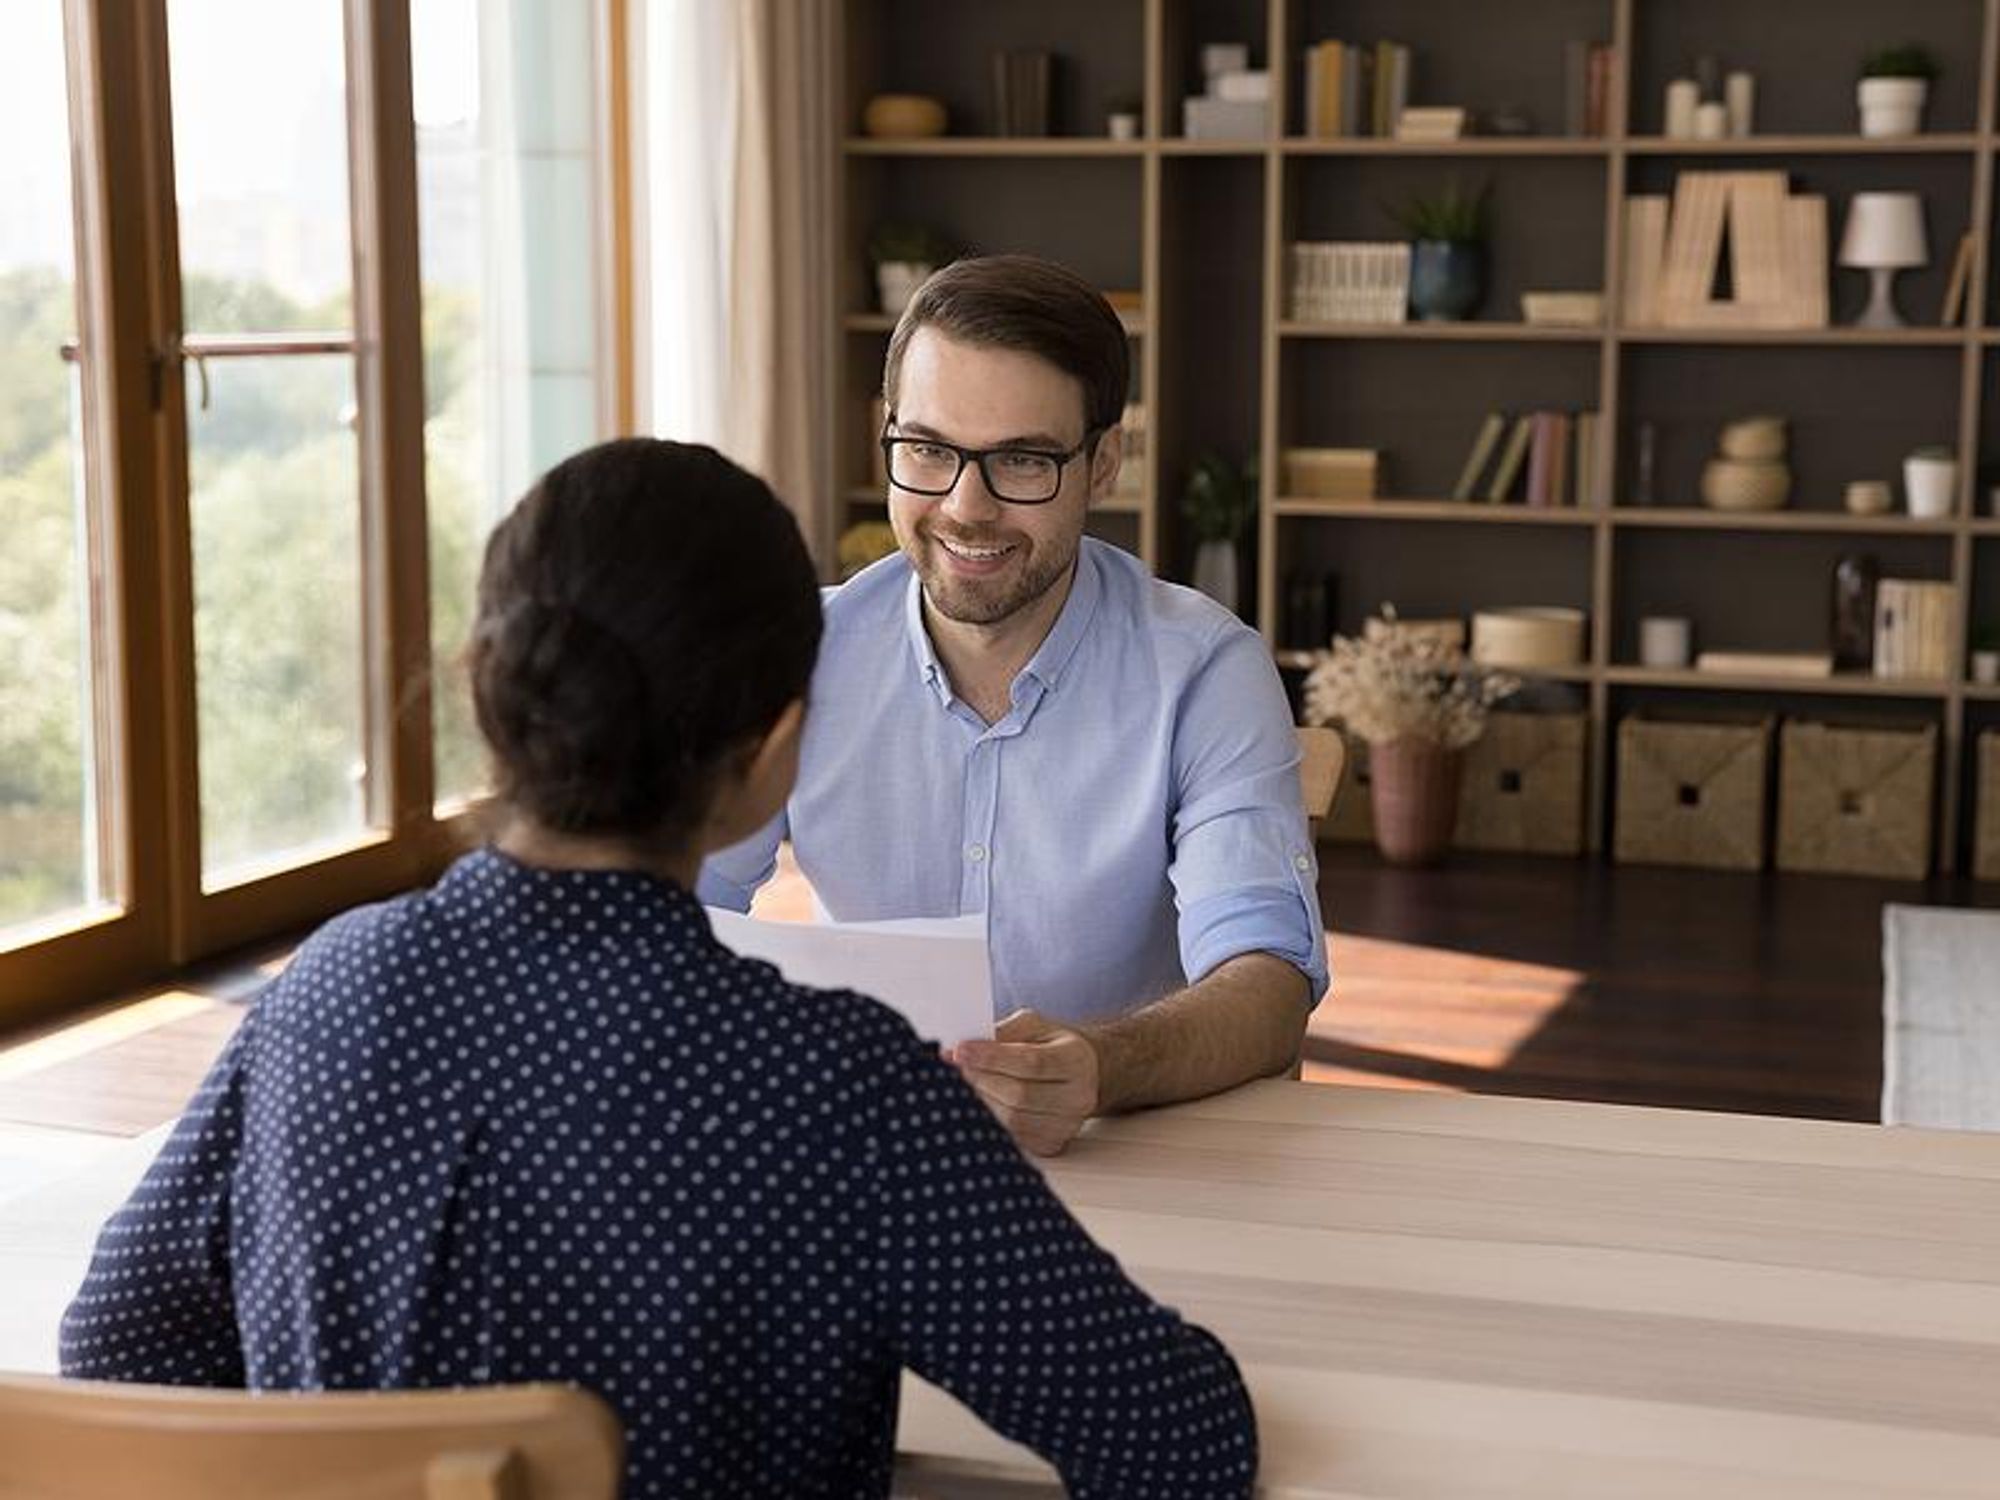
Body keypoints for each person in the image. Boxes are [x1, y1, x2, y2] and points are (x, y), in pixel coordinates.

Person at [58, 439, 1257, 1499]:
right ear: (776, 749)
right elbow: (1178, 1442)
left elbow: (117, 1344)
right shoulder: (839, 1088)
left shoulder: (326, 992)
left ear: (489, 691)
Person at [701, 254, 1329, 1155]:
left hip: (1131, 1152)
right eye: (928, 450)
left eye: (1023, 460)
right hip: (870, 1152)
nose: (966, 507)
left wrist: (1104, 1065)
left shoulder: (1205, 671)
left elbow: (1268, 983)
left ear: (1103, 463)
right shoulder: (792, 653)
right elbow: (678, 907)